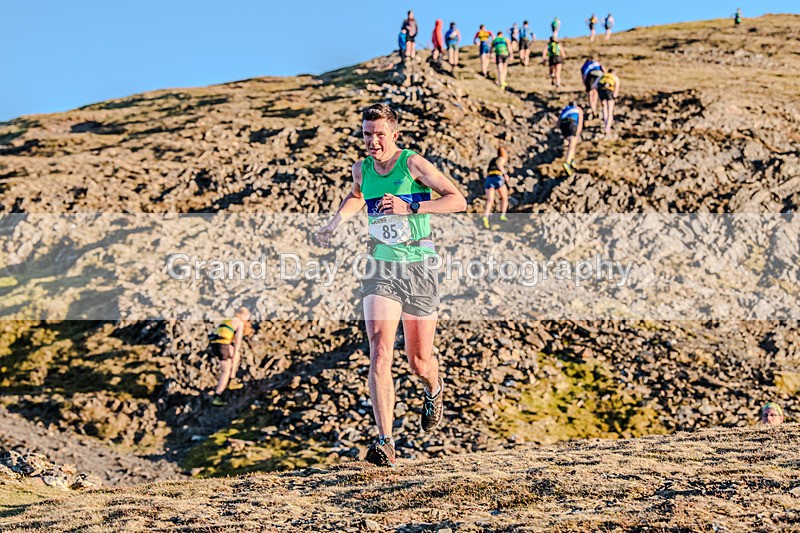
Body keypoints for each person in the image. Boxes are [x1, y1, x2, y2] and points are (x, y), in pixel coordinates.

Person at [316, 104, 467, 467]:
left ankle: (434, 387)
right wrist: (333, 224)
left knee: (419, 362)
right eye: (367, 134)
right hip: (380, 264)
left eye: (379, 134)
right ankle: (385, 441)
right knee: (380, 350)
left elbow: (458, 200)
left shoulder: (412, 164)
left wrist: (410, 207)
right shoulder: (362, 169)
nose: (372, 141)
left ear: (394, 134)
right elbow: (356, 195)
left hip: (418, 266)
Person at [206, 307, 251, 406]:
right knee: (226, 370)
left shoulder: (228, 320)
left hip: (215, 345)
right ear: (243, 315)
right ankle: (219, 394)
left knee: (231, 358)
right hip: (223, 346)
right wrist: (235, 353)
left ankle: (231, 379)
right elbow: (238, 341)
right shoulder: (239, 323)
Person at [482, 147, 511, 229]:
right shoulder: (501, 158)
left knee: (490, 200)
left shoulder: (492, 160)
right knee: (504, 198)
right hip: (497, 177)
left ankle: (486, 217)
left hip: (489, 178)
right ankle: (502, 215)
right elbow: (499, 164)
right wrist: (505, 174)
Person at [556, 102, 584, 176]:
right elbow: (580, 122)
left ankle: (572, 160)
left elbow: (558, 124)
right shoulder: (578, 109)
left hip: (563, 124)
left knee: (571, 143)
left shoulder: (565, 109)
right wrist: (577, 132)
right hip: (571, 122)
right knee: (572, 143)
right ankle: (567, 162)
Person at [594, 68, 620, 133]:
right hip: (610, 93)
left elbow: (594, 85)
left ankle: (605, 123)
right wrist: (614, 95)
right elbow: (616, 88)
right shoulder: (615, 77)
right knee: (610, 110)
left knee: (604, 108)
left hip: (601, 92)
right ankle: (607, 127)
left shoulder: (602, 76)